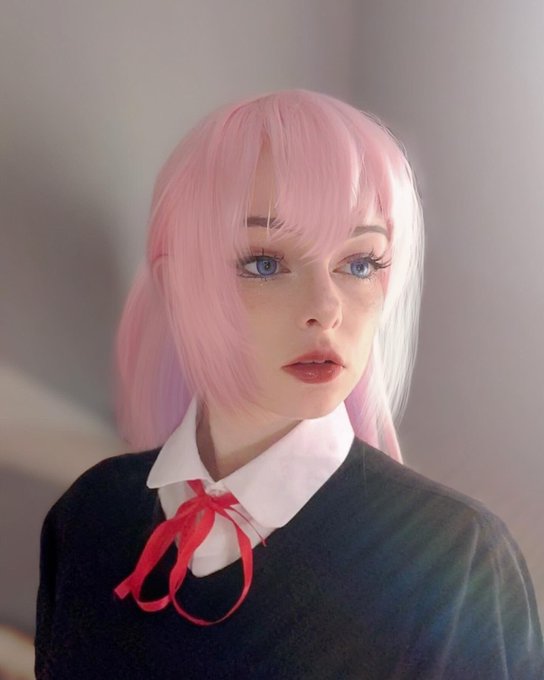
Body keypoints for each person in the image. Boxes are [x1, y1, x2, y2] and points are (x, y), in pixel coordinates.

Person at [34, 89, 544, 679]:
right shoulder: (90, 515)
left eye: (360, 264)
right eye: (265, 263)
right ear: (176, 285)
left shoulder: (455, 560)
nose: (326, 309)